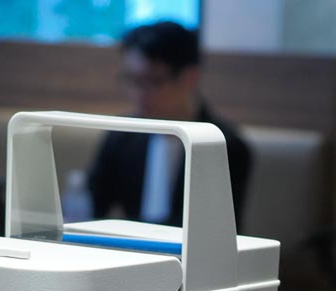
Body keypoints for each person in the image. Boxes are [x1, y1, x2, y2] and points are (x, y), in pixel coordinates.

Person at [87, 21, 252, 228]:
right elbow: (91, 207)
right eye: (132, 80)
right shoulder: (121, 136)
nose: (139, 94)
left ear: (189, 77)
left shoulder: (224, 146)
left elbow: (223, 230)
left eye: (153, 81)